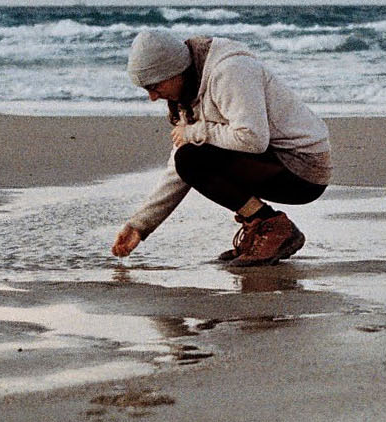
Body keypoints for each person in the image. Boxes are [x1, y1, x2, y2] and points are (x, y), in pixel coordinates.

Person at [110, 29, 331, 266]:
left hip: (303, 168)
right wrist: (140, 225)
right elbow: (181, 166)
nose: (153, 97)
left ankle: (274, 228)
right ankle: (263, 226)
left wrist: (196, 132)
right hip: (272, 162)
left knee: (191, 158)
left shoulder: (230, 70)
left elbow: (252, 138)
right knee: (188, 159)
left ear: (175, 72)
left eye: (154, 86)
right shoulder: (187, 89)